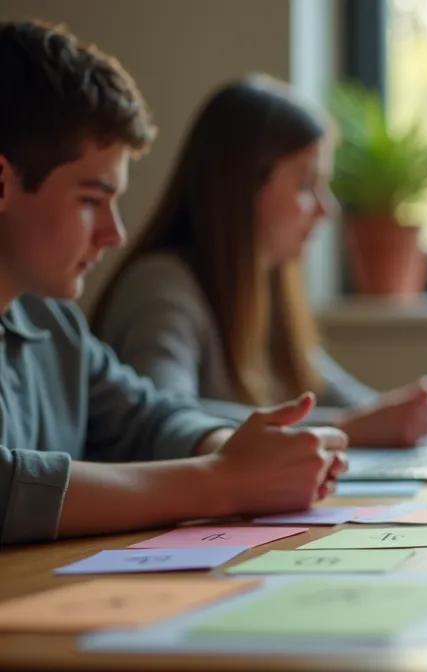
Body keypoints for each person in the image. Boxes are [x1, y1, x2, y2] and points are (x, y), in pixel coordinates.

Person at [0, 20, 347, 545]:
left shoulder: (50, 322)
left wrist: (227, 447)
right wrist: (222, 482)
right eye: (91, 201)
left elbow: (145, 417)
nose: (115, 233)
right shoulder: (159, 285)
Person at [92, 76, 427, 448]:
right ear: (245, 187)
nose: (327, 210)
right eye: (306, 185)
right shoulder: (161, 285)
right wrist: (345, 428)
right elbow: (163, 418)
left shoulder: (270, 289)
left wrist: (423, 417)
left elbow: (350, 403)